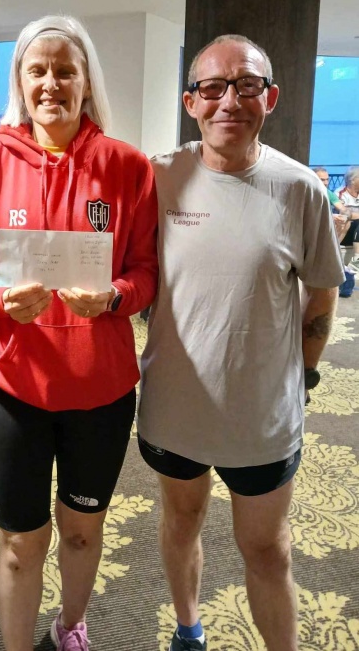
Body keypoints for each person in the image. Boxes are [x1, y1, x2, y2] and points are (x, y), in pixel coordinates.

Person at [0, 15, 158, 651]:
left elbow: (146, 272)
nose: (51, 83)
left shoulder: (127, 167)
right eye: (37, 70)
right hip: (11, 383)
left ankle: (72, 624)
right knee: (21, 539)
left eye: (64, 70)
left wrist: (117, 297)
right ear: (20, 80)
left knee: (81, 529)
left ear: (86, 81)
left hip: (99, 389)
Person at [138, 34, 344, 651]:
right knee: (182, 520)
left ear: (270, 97)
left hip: (262, 416)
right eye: (213, 88)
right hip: (175, 407)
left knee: (268, 551)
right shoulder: (159, 179)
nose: (230, 100)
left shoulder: (300, 188)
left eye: (246, 85)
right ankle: (188, 627)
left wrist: (302, 376)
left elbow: (322, 297)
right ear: (191, 101)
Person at [312, 166, 358, 242]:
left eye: (327, 179)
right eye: (322, 180)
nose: (326, 183)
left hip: (326, 220)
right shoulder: (307, 191)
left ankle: (334, 248)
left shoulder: (328, 193)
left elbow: (343, 209)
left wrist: (344, 215)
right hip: (312, 221)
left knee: (345, 222)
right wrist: (331, 216)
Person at [335, 166, 359, 271]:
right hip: (344, 230)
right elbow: (345, 214)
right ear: (353, 180)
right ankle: (357, 259)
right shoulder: (341, 193)